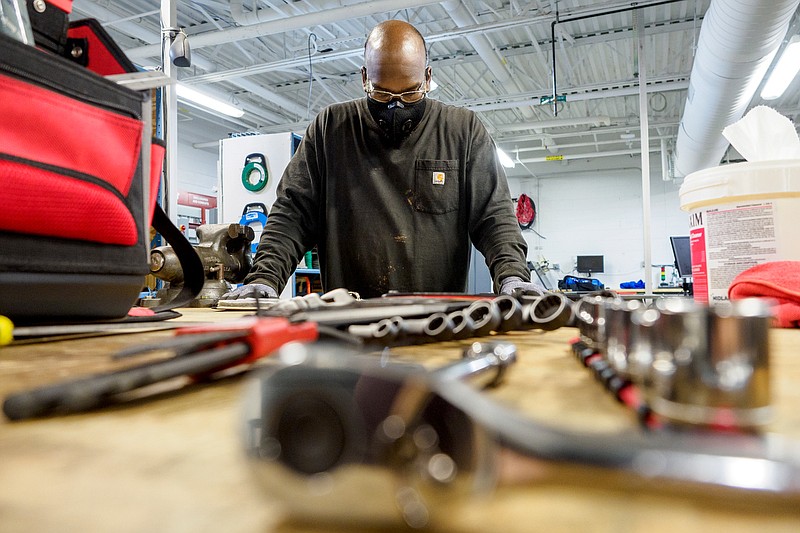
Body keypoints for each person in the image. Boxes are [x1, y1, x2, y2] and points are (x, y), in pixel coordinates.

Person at [223, 19, 542, 300]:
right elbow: (292, 212)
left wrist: (512, 275)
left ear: (428, 78)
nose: (396, 107)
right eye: (382, 95)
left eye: (411, 94)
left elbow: (494, 216)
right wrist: (264, 278)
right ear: (364, 78)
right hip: (349, 320)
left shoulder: (462, 131)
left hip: (437, 321)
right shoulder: (330, 129)